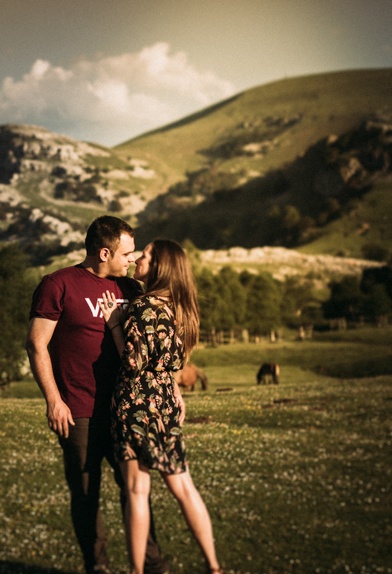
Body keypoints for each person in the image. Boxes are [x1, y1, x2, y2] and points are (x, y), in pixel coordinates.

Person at [26, 216, 171, 574]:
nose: (133, 260)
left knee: (136, 490)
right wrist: (54, 400)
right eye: (127, 253)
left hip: (126, 409)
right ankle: (98, 567)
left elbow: (152, 347)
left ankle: (153, 565)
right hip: (79, 413)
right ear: (104, 252)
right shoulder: (57, 284)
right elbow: (36, 345)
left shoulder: (131, 289)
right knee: (86, 496)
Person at [100, 239, 221, 574]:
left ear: (160, 267)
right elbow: (168, 364)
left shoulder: (143, 306)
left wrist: (114, 325)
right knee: (184, 486)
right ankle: (214, 567)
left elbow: (134, 362)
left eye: (147, 255)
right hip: (166, 401)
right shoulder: (179, 308)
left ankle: (137, 572)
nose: (139, 258)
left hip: (136, 403)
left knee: (138, 491)